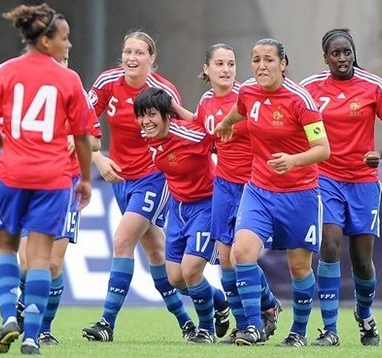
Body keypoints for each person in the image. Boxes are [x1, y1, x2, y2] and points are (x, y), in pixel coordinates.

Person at [81, 31, 227, 343]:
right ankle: (200, 314)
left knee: (122, 240)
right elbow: (81, 122)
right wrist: (97, 157)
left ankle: (106, 323)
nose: (131, 58)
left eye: (139, 53)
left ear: (152, 60)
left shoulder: (162, 91)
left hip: (155, 177)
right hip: (120, 178)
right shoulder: (107, 82)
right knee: (159, 257)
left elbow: (186, 129)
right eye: (127, 51)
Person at [0, 3, 95, 355]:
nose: (69, 45)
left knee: (6, 248)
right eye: (65, 38)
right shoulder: (68, 79)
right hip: (54, 177)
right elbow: (82, 137)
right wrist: (85, 179)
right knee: (41, 258)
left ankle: (7, 318)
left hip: (12, 173)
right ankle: (31, 335)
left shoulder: (3, 72)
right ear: (45, 41)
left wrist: (11, 145)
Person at [213, 38, 330, 347]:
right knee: (242, 252)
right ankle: (251, 326)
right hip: (259, 190)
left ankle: (299, 333)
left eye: (268, 60)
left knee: (298, 266)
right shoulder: (248, 91)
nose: (261, 66)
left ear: (283, 64)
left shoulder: (300, 100)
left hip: (300, 194)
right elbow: (240, 110)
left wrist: (293, 160)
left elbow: (323, 150)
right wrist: (225, 123)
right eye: (256, 60)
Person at [299, 27, 382, 347]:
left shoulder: (374, 85)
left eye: (347, 52)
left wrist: (379, 153)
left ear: (354, 54)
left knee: (361, 260)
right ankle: (330, 329)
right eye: (335, 53)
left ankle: (364, 313)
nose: (342, 58)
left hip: (363, 182)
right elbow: (291, 113)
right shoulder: (311, 88)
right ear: (325, 57)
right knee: (329, 245)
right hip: (325, 178)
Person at [188, 43, 282, 344]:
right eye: (219, 64)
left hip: (252, 185)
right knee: (225, 258)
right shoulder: (205, 103)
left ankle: (256, 319)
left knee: (243, 254)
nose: (226, 69)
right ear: (207, 69)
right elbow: (200, 134)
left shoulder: (248, 96)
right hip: (224, 185)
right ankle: (247, 321)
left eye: (230, 63)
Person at [15, 52, 102, 346]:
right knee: (27, 262)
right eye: (56, 57)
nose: (61, 64)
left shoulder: (75, 89)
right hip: (33, 181)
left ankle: (44, 327)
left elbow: (95, 139)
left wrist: (75, 140)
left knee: (53, 262)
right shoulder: (24, 87)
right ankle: (23, 308)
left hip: (68, 182)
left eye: (66, 58)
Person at [134, 87, 228, 343]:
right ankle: (221, 302)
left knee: (191, 270)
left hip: (207, 205)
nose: (146, 121)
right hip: (177, 207)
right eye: (141, 115)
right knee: (175, 278)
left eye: (152, 114)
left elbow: (214, 133)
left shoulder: (191, 135)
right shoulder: (147, 135)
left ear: (167, 115)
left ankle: (206, 329)